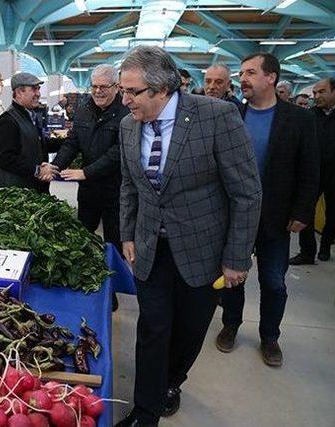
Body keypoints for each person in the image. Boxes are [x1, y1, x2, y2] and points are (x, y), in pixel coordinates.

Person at [116, 46, 262, 427]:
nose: (125, 100)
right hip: (150, 246)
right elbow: (130, 185)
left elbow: (246, 192)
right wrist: (128, 233)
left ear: (162, 89)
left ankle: (172, 381)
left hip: (202, 249)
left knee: (189, 330)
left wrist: (236, 257)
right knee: (153, 328)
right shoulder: (128, 124)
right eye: (122, 91)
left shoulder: (216, 117)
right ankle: (145, 411)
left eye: (132, 92)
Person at [216, 53, 319, 367]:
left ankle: (269, 336)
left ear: (271, 77)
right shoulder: (233, 114)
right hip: (235, 216)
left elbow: (310, 169)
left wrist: (303, 211)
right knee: (233, 277)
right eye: (241, 73)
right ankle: (231, 325)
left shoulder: (299, 119)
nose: (242, 79)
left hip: (277, 215)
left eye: (250, 72)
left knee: (274, 281)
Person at [51, 64, 129, 246]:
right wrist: (56, 166)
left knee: (114, 241)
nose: (98, 91)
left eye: (103, 87)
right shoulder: (84, 110)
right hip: (89, 191)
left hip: (115, 191)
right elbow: (72, 143)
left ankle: (114, 272)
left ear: (116, 87)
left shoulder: (126, 113)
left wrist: (86, 172)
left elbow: (118, 152)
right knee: (83, 237)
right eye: (94, 86)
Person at [289, 77, 335, 263]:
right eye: (315, 93)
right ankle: (307, 252)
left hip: (334, 174)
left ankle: (325, 247)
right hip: (312, 173)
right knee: (304, 211)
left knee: (332, 213)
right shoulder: (309, 116)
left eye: (321, 92)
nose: (316, 96)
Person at [0, 72, 57, 193]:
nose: (38, 94)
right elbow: (6, 159)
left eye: (38, 89)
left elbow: (39, 144)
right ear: (19, 92)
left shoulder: (31, 116)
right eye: (34, 89)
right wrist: (38, 170)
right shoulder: (7, 121)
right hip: (16, 194)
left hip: (32, 189)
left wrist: (69, 141)